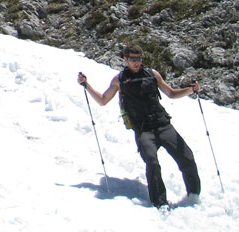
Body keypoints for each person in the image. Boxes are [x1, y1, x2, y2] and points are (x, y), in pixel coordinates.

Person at [77, 44, 201, 208]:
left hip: (163, 124)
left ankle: (193, 196)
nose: (137, 62)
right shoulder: (119, 80)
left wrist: (190, 90)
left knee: (187, 157)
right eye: (133, 59)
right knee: (152, 163)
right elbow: (103, 100)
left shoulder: (152, 74)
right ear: (125, 59)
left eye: (139, 59)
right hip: (143, 130)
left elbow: (171, 93)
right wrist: (87, 85)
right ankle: (160, 202)